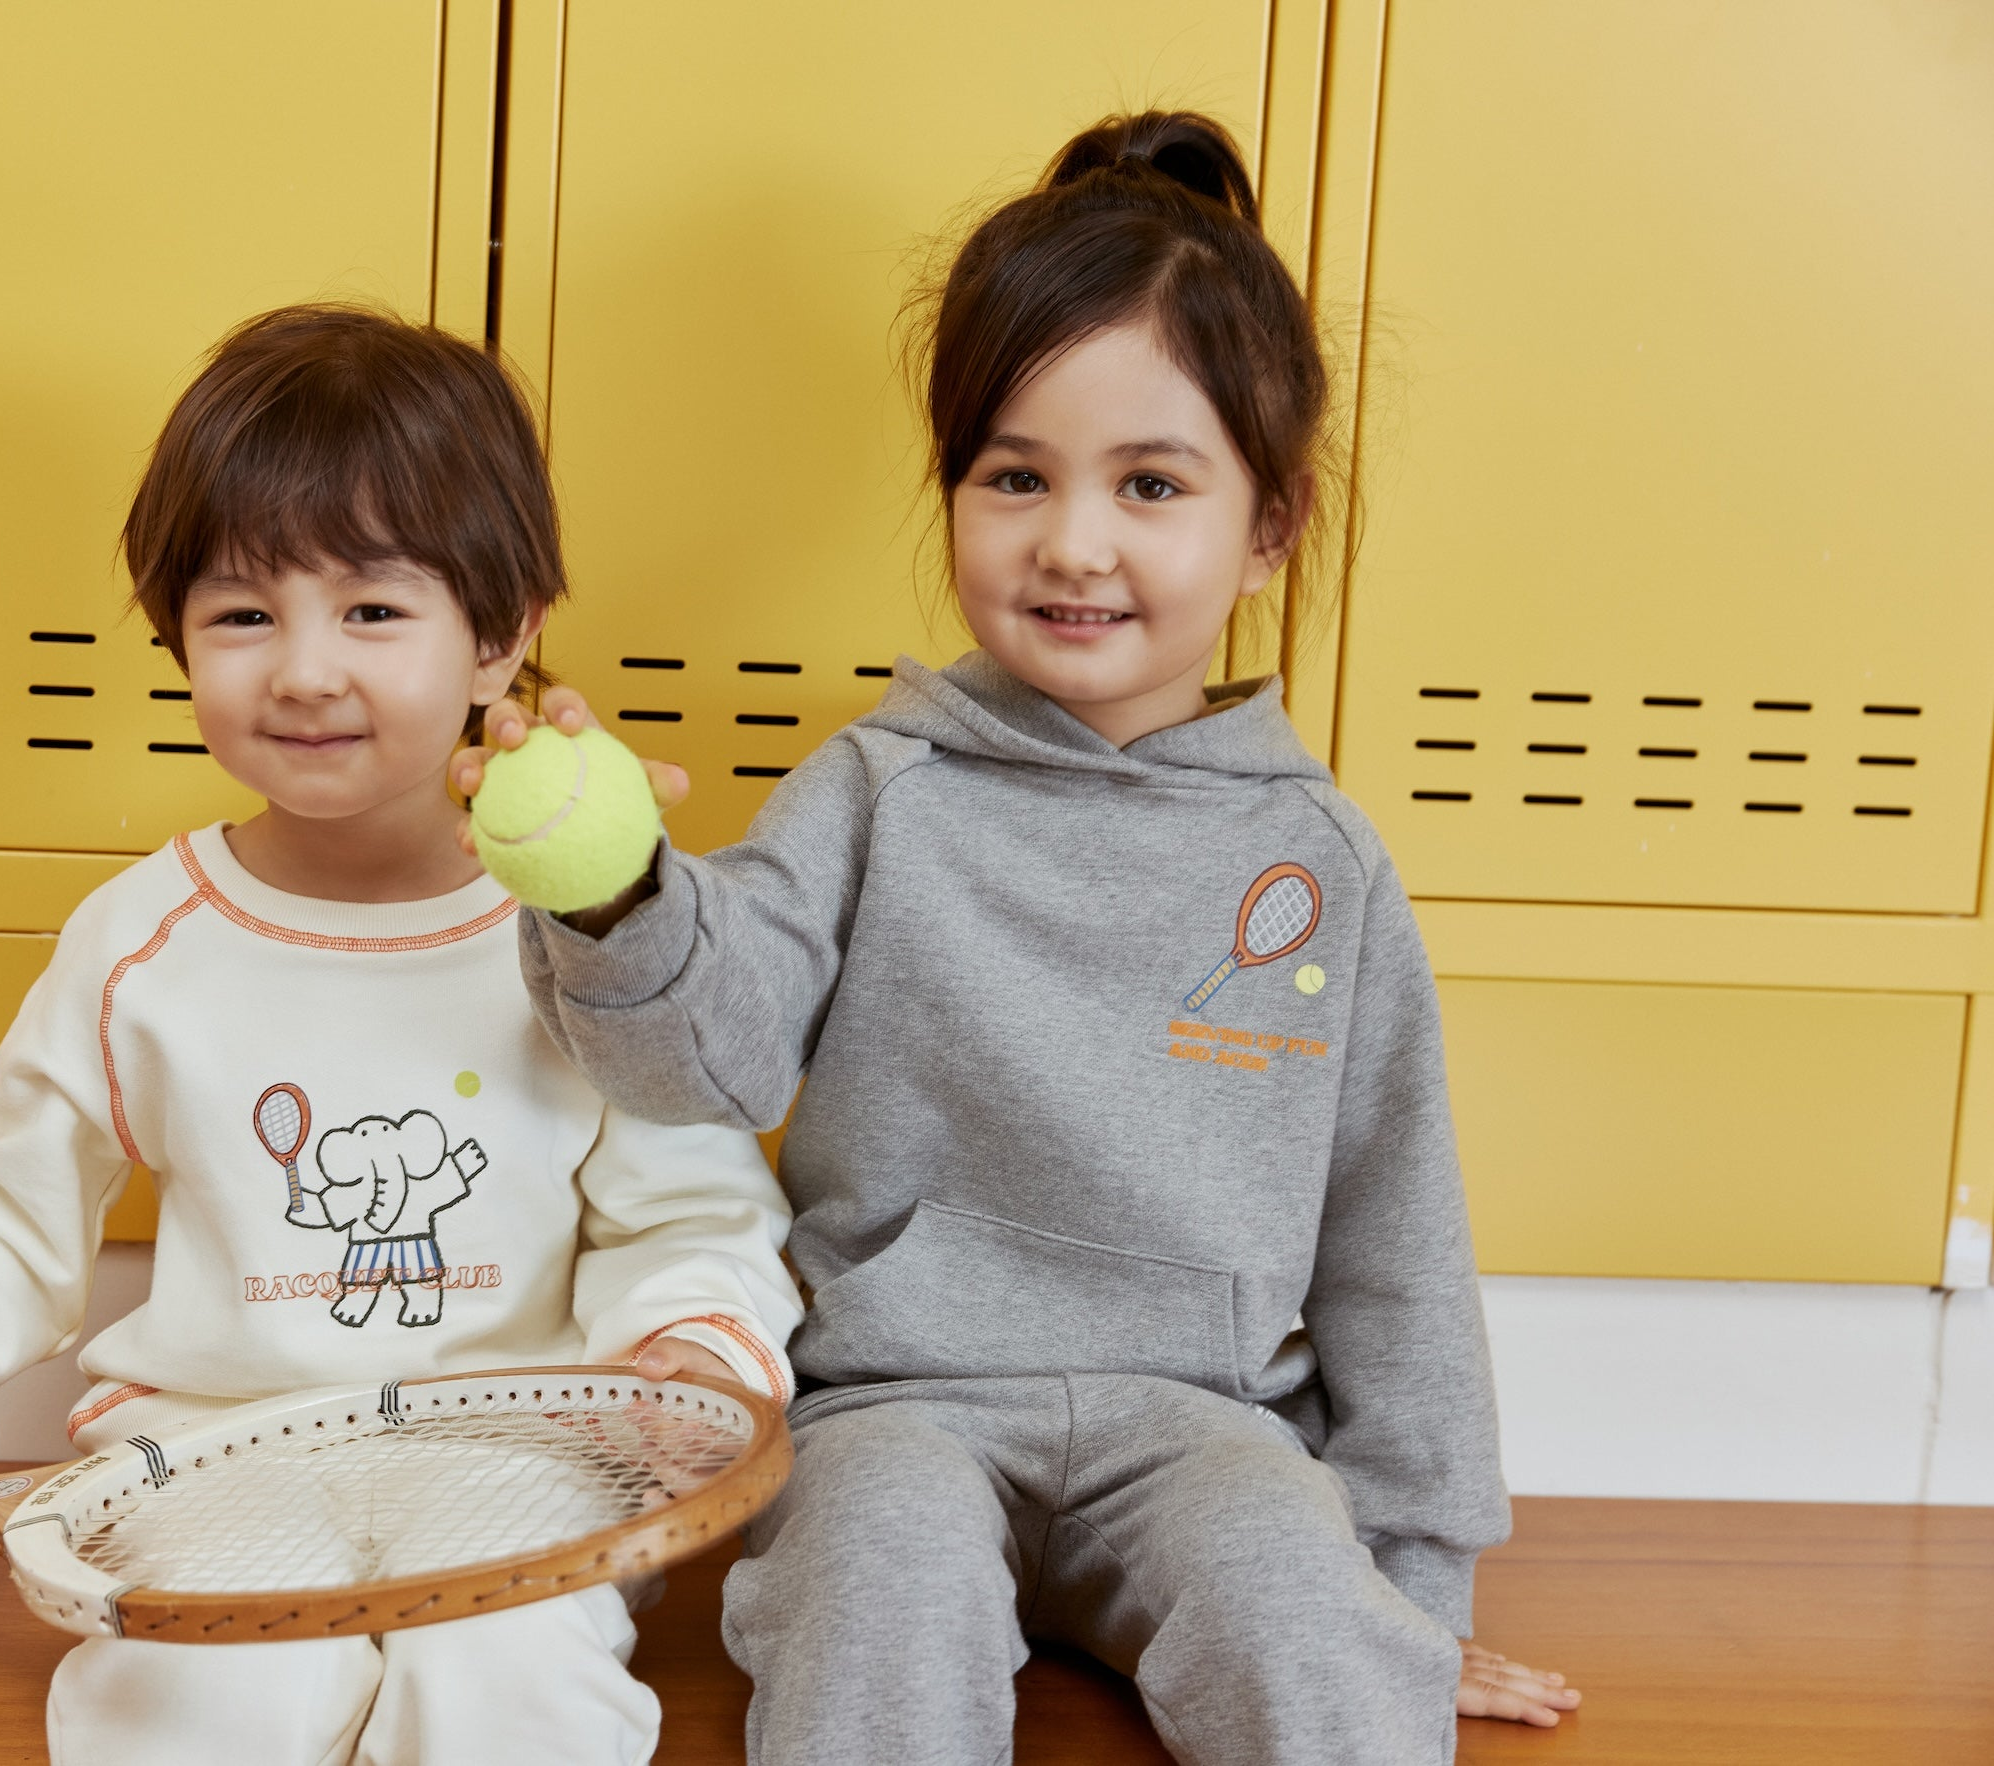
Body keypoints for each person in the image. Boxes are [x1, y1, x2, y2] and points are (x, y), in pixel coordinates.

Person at [463, 114, 1579, 1764]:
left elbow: (1390, 1236)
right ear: (953, 490)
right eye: (1013, 476)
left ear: (1267, 525)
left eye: (1149, 484)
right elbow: (704, 1055)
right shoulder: (875, 786)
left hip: (1207, 1428)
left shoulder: (1319, 857)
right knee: (878, 1594)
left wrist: (1410, 1598)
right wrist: (614, 893)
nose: (1072, 542)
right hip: (894, 1410)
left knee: (1303, 1604)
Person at [0, 305, 801, 1766]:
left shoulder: (591, 922)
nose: (302, 669)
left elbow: (688, 1200)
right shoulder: (140, 939)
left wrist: (691, 1349)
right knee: (194, 1707)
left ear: (500, 636)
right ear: (176, 633)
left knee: (518, 1702)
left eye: (372, 610)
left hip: (524, 1453)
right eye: (244, 612)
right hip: (211, 1460)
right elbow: (6, 1203)